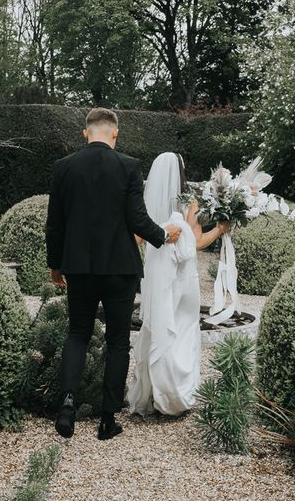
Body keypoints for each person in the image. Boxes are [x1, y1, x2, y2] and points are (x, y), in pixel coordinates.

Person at [46, 108, 182, 441]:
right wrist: (164, 236)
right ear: (115, 134)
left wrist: (55, 264)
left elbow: (55, 224)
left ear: (85, 133)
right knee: (118, 342)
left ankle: (67, 405)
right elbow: (138, 219)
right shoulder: (129, 166)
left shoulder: (63, 168)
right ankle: (107, 420)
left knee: (77, 333)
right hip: (120, 268)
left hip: (78, 268)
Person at [128, 152, 230, 416]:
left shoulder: (143, 202)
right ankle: (177, 395)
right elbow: (196, 243)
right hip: (183, 276)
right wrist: (220, 230)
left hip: (156, 274)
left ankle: (154, 393)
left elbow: (138, 240)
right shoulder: (189, 203)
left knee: (157, 324)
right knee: (182, 328)